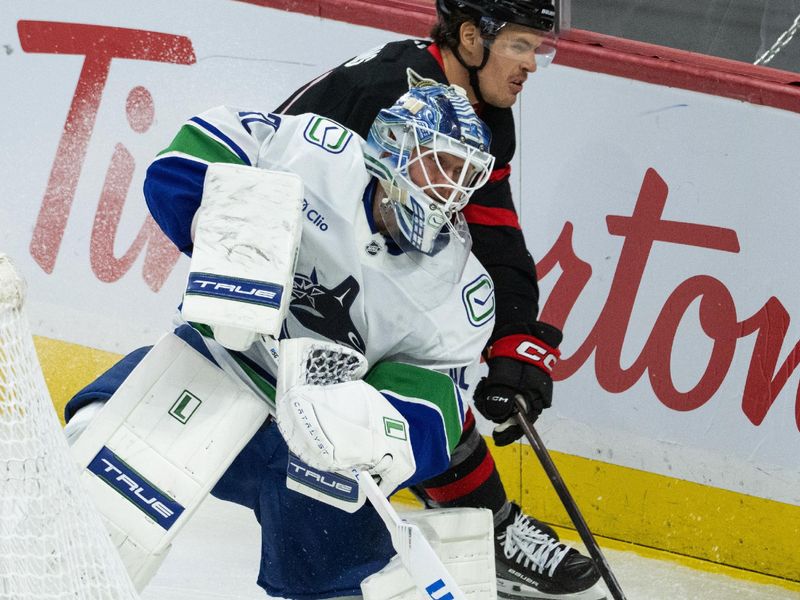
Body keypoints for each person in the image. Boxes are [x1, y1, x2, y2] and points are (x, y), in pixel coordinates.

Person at [66, 82, 504, 598]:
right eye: (441, 164)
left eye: (464, 175)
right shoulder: (315, 151)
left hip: (317, 453)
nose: (450, 189)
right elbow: (189, 153)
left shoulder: (461, 287)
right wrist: (222, 224)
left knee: (342, 587)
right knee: (92, 462)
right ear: (394, 144)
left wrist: (372, 431)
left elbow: (433, 409)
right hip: (221, 368)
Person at [277, 1, 603, 597]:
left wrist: (512, 341)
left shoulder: (484, 118)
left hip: (364, 288)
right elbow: (267, 171)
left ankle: (491, 530)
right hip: (294, 283)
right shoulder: (378, 87)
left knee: (428, 381)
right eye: (521, 46)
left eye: (540, 50)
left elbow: (497, 238)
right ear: (473, 38)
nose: (531, 65)